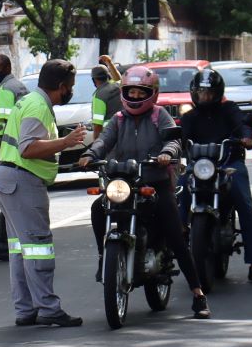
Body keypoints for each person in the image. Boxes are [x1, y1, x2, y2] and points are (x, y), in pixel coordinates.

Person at [77, 66, 211, 319]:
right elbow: (103, 141)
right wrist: (90, 154)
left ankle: (198, 293)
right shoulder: (118, 119)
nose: (136, 97)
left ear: (153, 94)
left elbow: (173, 140)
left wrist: (167, 153)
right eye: (132, 92)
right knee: (98, 208)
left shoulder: (159, 116)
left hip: (155, 183)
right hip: (124, 183)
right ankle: (103, 256)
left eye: (142, 92)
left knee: (175, 235)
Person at [0, 59, 88, 326]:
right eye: (70, 87)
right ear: (61, 86)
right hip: (22, 181)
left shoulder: (32, 101)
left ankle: (25, 310)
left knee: (20, 250)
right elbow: (28, 148)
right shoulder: (37, 106)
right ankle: (48, 309)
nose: (70, 91)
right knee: (38, 248)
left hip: (10, 179)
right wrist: (65, 142)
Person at [179, 68, 252, 284]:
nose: (204, 97)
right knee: (179, 190)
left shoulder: (229, 109)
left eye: (208, 93)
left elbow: (242, 124)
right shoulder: (189, 116)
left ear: (217, 93)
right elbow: (179, 138)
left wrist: (246, 137)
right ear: (194, 93)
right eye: (200, 93)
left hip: (229, 163)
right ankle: (177, 240)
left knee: (246, 206)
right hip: (199, 166)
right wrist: (168, 148)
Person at [0, 55, 30, 262]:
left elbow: (2, 126)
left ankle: (4, 247)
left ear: (6, 68)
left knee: (6, 200)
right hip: (24, 150)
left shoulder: (6, 90)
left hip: (11, 153)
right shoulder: (21, 87)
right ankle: (16, 244)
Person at [91, 59, 125, 137]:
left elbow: (98, 126)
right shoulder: (118, 85)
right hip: (126, 130)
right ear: (108, 76)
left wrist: (96, 145)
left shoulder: (99, 96)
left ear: (94, 79)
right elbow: (118, 78)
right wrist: (110, 63)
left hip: (111, 136)